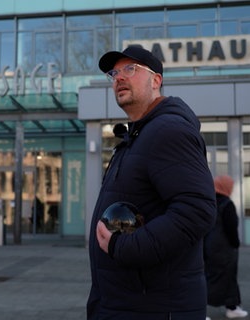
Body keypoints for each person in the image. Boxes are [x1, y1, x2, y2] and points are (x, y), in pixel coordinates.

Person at [87, 46, 217, 320]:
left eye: (130, 69)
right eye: (114, 73)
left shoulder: (168, 131)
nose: (119, 78)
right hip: (130, 302)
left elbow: (196, 211)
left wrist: (121, 247)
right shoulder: (139, 136)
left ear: (156, 80)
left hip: (154, 307)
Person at [204, 175, 248, 319]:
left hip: (209, 246)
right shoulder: (227, 204)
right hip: (224, 247)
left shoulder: (209, 202)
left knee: (216, 277)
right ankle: (199, 311)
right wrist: (236, 243)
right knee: (223, 277)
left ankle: (232, 306)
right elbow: (231, 227)